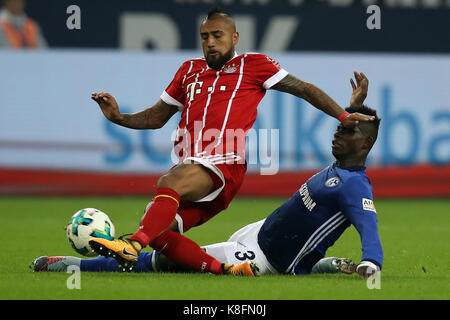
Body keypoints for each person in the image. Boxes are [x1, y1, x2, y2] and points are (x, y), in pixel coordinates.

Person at [89, 8, 375, 276]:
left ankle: (132, 246)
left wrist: (340, 113)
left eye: (217, 35)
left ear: (234, 37)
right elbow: (155, 117)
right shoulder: (188, 70)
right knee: (160, 232)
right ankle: (223, 271)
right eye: (205, 37)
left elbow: (304, 89)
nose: (210, 42)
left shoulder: (254, 65)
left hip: (224, 164)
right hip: (194, 168)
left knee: (169, 182)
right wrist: (118, 118)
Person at [32, 101, 382, 279]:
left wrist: (372, 262)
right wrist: (352, 106)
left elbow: (368, 226)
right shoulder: (339, 169)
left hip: (265, 260)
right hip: (258, 233)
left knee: (167, 259)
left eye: (348, 131)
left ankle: (76, 265)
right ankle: (317, 266)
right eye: (340, 126)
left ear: (365, 142)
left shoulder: (355, 185)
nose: (338, 133)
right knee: (163, 232)